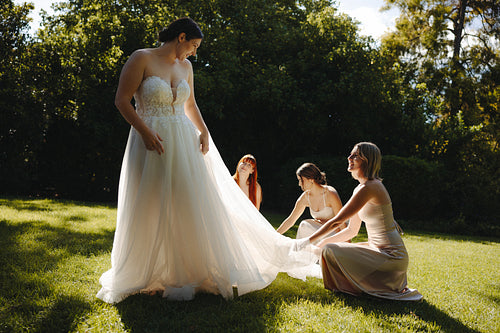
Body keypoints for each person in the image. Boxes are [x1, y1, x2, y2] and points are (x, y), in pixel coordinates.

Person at [96, 18, 319, 304]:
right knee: (151, 202)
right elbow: (122, 101)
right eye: (194, 45)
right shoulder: (142, 58)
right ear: (181, 36)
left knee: (188, 202)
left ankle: (186, 272)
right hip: (152, 142)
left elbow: (190, 104)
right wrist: (144, 131)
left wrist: (204, 131)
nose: (194, 52)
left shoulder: (186, 67)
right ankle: (149, 273)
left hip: (184, 142)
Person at [293, 142, 423, 301]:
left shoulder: (370, 187)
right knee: (328, 247)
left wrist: (306, 242)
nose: (349, 158)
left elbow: (337, 221)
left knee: (330, 250)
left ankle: (350, 287)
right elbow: (351, 230)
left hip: (391, 256)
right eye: (350, 154)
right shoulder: (361, 188)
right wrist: (321, 243)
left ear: (367, 161)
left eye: (355, 156)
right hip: (377, 249)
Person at [276, 163, 347, 238]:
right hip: (319, 232)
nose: (299, 184)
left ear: (311, 179)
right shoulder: (305, 197)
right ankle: (302, 249)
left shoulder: (330, 193)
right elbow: (291, 220)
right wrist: (274, 236)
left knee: (307, 227)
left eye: (301, 180)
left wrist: (347, 243)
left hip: (334, 232)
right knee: (304, 225)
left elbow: (341, 220)